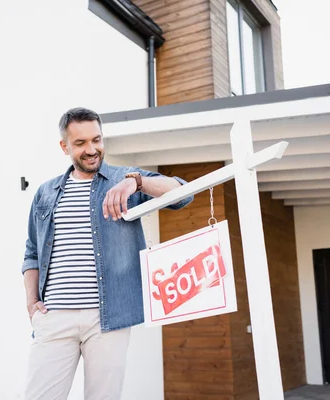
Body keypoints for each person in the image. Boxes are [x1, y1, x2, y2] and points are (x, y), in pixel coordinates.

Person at [22, 107, 193, 400]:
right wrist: (32, 302)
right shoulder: (46, 192)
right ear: (64, 146)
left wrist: (137, 181)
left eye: (97, 140)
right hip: (53, 316)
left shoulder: (123, 179)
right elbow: (32, 252)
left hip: (107, 319)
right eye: (80, 143)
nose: (92, 150)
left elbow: (183, 193)